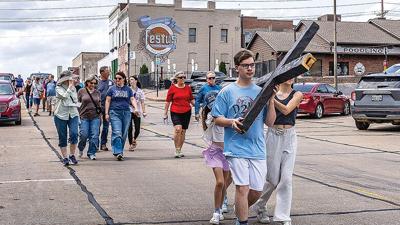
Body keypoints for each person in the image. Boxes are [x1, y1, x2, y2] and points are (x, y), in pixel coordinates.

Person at [212, 49, 276, 225]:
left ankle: (241, 211)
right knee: (242, 187)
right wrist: (232, 122)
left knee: (256, 191)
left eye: (252, 65)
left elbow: (270, 122)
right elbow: (217, 118)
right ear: (237, 68)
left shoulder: (261, 92)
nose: (250, 69)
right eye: (246, 65)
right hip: (236, 147)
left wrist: (271, 101)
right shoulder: (227, 92)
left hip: (257, 148)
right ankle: (242, 222)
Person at [252, 78, 302, 225]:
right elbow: (266, 118)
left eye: (293, 75)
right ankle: (260, 205)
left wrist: (271, 99)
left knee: (286, 179)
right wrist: (270, 97)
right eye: (287, 75)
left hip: (290, 136)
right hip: (273, 135)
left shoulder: (297, 94)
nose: (290, 77)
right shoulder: (271, 94)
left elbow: (287, 110)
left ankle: (283, 216)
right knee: (272, 179)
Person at [201, 89, 231, 225]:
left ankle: (223, 201)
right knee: (220, 182)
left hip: (229, 153)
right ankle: (216, 212)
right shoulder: (211, 117)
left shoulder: (229, 113)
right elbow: (214, 118)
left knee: (226, 182)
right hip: (215, 152)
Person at [105, 71, 139, 161]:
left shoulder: (128, 89)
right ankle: (118, 151)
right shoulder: (111, 89)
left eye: (119, 78)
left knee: (123, 133)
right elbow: (107, 101)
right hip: (114, 112)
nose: (117, 80)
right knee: (117, 132)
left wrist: (136, 108)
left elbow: (132, 99)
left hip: (126, 113)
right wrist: (106, 113)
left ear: (124, 79)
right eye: (116, 78)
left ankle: (119, 151)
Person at [164, 71, 194, 158]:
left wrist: (198, 107)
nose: (183, 79)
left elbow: (191, 100)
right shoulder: (172, 88)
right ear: (176, 78)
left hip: (186, 111)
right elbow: (168, 101)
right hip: (175, 111)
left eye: (184, 77)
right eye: (181, 77)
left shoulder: (188, 88)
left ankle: (179, 149)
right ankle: (177, 149)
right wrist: (165, 113)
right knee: (178, 129)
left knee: (183, 131)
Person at [53, 71, 80, 166]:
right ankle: (65, 158)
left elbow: (75, 99)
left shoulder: (74, 88)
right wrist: (69, 87)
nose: (73, 80)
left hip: (73, 113)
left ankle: (72, 155)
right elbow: (64, 97)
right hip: (60, 115)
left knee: (74, 134)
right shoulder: (58, 88)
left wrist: (72, 88)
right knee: (62, 137)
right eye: (70, 78)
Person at [77, 75, 102, 160]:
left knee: (94, 135)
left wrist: (101, 116)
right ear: (87, 82)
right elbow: (78, 104)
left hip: (95, 117)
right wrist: (78, 114)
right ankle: (81, 148)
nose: (93, 85)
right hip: (84, 116)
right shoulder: (81, 91)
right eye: (91, 83)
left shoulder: (97, 92)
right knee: (84, 135)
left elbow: (99, 104)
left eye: (95, 83)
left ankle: (91, 152)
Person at [128, 76, 147, 151]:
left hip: (137, 111)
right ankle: (131, 144)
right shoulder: (128, 90)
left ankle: (134, 138)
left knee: (137, 129)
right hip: (129, 110)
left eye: (132, 79)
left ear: (136, 81)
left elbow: (142, 102)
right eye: (130, 80)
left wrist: (144, 111)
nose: (130, 81)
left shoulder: (140, 91)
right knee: (129, 128)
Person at [98, 66, 114, 151]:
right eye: (107, 71)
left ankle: (103, 144)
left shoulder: (111, 82)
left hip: (108, 108)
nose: (109, 73)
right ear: (102, 73)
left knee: (106, 127)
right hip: (98, 108)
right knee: (97, 126)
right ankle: (95, 144)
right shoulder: (97, 83)